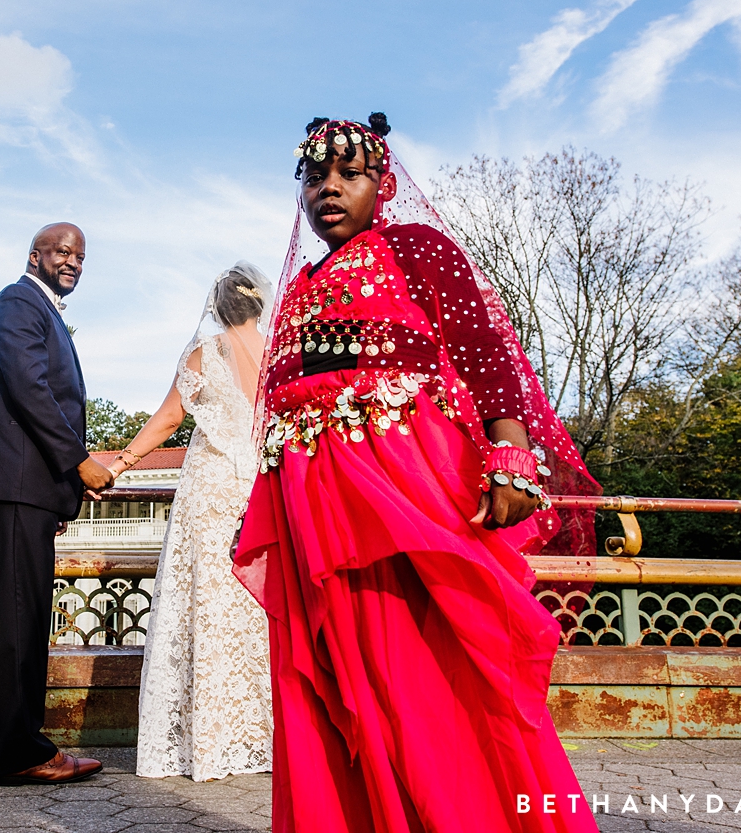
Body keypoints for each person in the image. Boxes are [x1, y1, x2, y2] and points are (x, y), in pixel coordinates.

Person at [232, 115, 601, 832]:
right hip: (316, 499)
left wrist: (510, 451)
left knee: (422, 665)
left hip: (403, 489)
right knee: (339, 674)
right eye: (315, 175)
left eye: (349, 173)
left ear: (383, 184)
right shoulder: (306, 281)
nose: (328, 187)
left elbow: (483, 349)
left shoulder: (417, 249)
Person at [0, 222, 116, 786]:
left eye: (81, 257)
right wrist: (79, 463)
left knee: (5, 619)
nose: (73, 262)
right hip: (9, 481)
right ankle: (22, 754)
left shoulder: (34, 306)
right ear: (34, 255)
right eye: (63, 252)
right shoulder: (19, 302)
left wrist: (58, 490)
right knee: (18, 619)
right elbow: (30, 390)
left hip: (17, 484)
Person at [110, 263, 276, 781]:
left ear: (218, 307)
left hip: (210, 490)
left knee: (203, 602)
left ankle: (206, 737)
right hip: (259, 487)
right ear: (258, 305)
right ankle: (264, 732)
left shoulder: (205, 352)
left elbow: (169, 419)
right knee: (258, 605)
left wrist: (119, 463)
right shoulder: (277, 355)